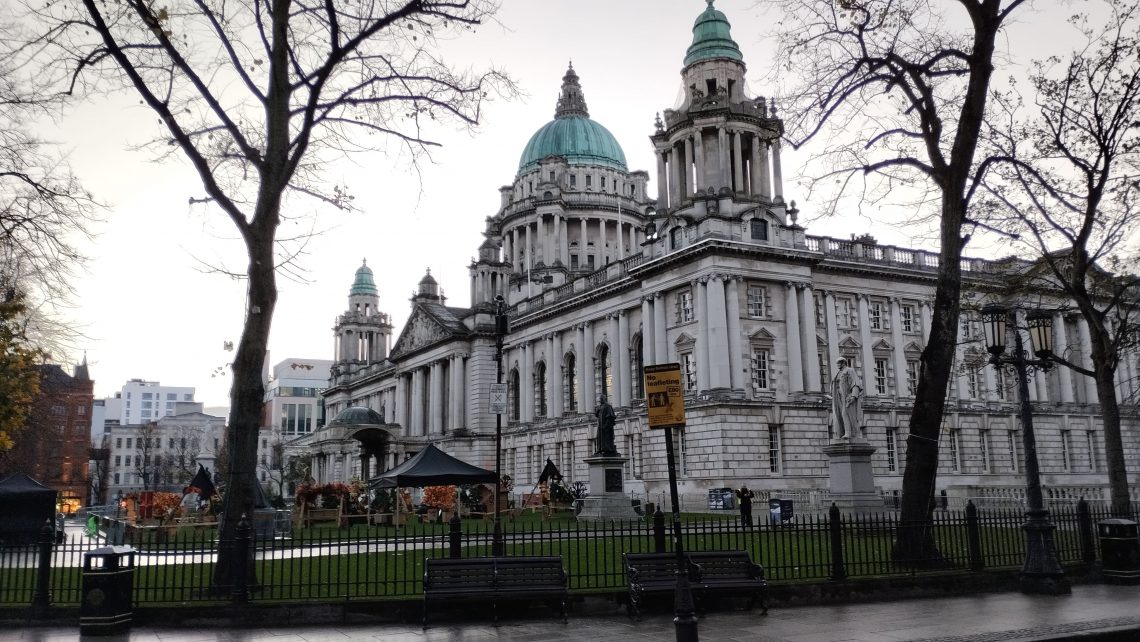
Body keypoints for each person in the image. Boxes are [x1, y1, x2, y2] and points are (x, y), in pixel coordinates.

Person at [830, 358, 865, 439]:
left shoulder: (849, 370)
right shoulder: (838, 373)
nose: (837, 365)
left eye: (839, 363)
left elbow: (855, 383)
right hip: (838, 397)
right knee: (838, 415)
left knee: (845, 414)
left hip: (847, 397)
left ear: (843, 363)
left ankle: (849, 433)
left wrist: (853, 395)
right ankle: (841, 433)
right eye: (837, 363)